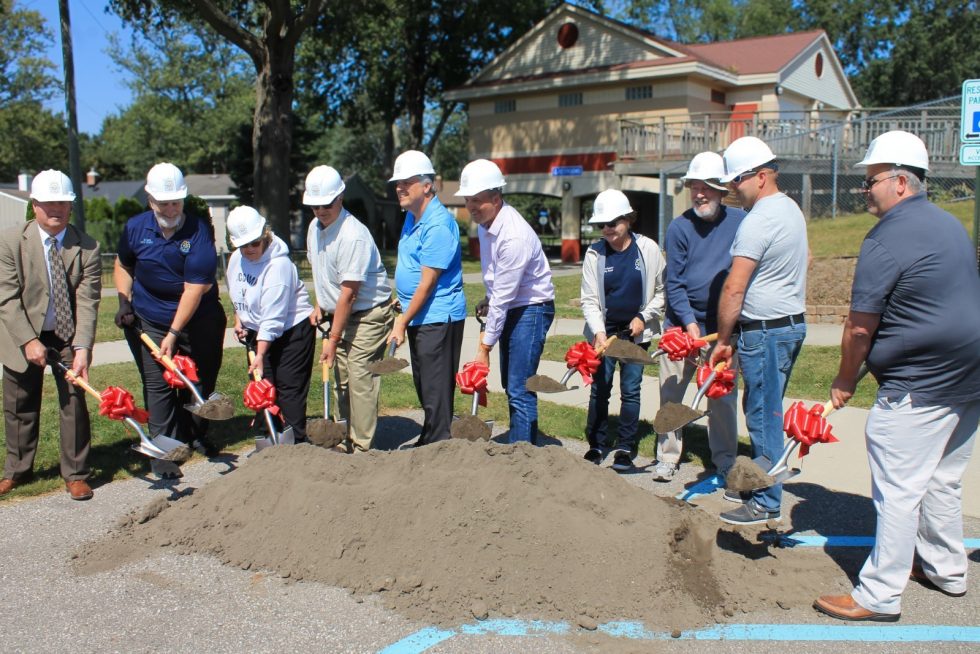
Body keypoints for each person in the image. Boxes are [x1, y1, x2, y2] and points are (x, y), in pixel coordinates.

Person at [814, 131, 980, 622]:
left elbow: (859, 326)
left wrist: (844, 381)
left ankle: (879, 593)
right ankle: (946, 570)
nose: (865, 190)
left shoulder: (884, 238)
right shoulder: (950, 224)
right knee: (943, 479)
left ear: (901, 183)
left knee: (899, 489)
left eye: (872, 181)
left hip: (921, 381)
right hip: (969, 377)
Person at [709, 136, 808, 525]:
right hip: (786, 326)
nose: (733, 189)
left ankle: (766, 502)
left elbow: (735, 286)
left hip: (765, 333)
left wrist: (722, 340)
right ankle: (762, 486)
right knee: (768, 409)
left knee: (763, 416)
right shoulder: (791, 211)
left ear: (762, 176)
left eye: (738, 181)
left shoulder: (759, 220)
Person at [114, 162, 227, 477]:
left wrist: (175, 332)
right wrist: (125, 301)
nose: (170, 208)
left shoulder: (199, 232)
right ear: (150, 200)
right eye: (163, 202)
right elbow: (123, 265)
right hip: (150, 319)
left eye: (176, 201)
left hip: (199, 320)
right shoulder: (136, 228)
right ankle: (164, 452)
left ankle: (195, 436)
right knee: (158, 384)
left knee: (199, 382)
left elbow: (194, 289)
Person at [0, 170, 101, 500]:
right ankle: (17, 469)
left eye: (63, 202)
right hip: (21, 333)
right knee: (19, 404)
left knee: (74, 401)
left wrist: (83, 346)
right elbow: (6, 297)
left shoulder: (87, 247)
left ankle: (76, 473)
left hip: (66, 334)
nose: (56, 209)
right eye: (48, 203)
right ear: (34, 205)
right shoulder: (11, 241)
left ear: (71, 206)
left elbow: (88, 301)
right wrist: (29, 340)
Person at [654, 152, 745, 482]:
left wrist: (725, 330)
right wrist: (690, 327)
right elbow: (673, 283)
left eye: (707, 186)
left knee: (722, 399)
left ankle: (723, 459)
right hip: (681, 328)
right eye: (694, 186)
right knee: (671, 395)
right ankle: (667, 456)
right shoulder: (679, 228)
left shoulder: (740, 222)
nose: (700, 193)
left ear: (722, 189)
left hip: (722, 331)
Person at [458, 159, 555, 444]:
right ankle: (521, 442)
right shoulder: (486, 225)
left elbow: (503, 298)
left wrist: (484, 347)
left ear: (496, 198)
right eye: (467, 200)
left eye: (477, 200)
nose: (471, 207)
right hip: (512, 302)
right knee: (510, 384)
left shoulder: (514, 236)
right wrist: (488, 297)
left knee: (520, 386)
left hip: (532, 308)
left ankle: (522, 456)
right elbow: (498, 284)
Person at [304, 165, 394, 451]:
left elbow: (349, 295)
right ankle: (341, 437)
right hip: (340, 314)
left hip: (369, 314)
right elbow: (322, 272)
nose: (320, 211)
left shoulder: (352, 235)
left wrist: (332, 339)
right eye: (314, 205)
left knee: (359, 376)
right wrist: (320, 304)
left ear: (340, 198)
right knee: (340, 378)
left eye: (326, 204)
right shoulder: (314, 229)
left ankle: (363, 446)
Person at [580, 189, 664, 468]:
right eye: (601, 225)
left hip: (635, 334)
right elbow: (589, 299)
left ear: (628, 220)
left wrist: (644, 315)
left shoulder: (648, 249)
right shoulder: (594, 253)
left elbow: (663, 291)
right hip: (604, 333)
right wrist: (599, 332)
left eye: (613, 223)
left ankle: (625, 447)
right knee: (599, 390)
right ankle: (596, 445)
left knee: (630, 389)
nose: (607, 229)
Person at [387, 151, 466, 445]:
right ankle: (432, 440)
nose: (400, 188)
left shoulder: (437, 225)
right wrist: (402, 301)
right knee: (425, 385)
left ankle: (437, 447)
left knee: (435, 389)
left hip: (438, 316)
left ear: (427, 186)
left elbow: (429, 282)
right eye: (398, 183)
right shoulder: (412, 217)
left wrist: (402, 319)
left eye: (407, 182)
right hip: (420, 314)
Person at [227, 206, 315, 443]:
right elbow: (239, 292)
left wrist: (260, 352)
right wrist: (240, 319)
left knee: (288, 391)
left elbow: (274, 317)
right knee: (262, 389)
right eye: (242, 245)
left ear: (265, 234)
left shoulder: (279, 265)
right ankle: (270, 443)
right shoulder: (237, 259)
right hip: (259, 331)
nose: (249, 250)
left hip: (292, 330)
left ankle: (296, 443)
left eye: (254, 243)